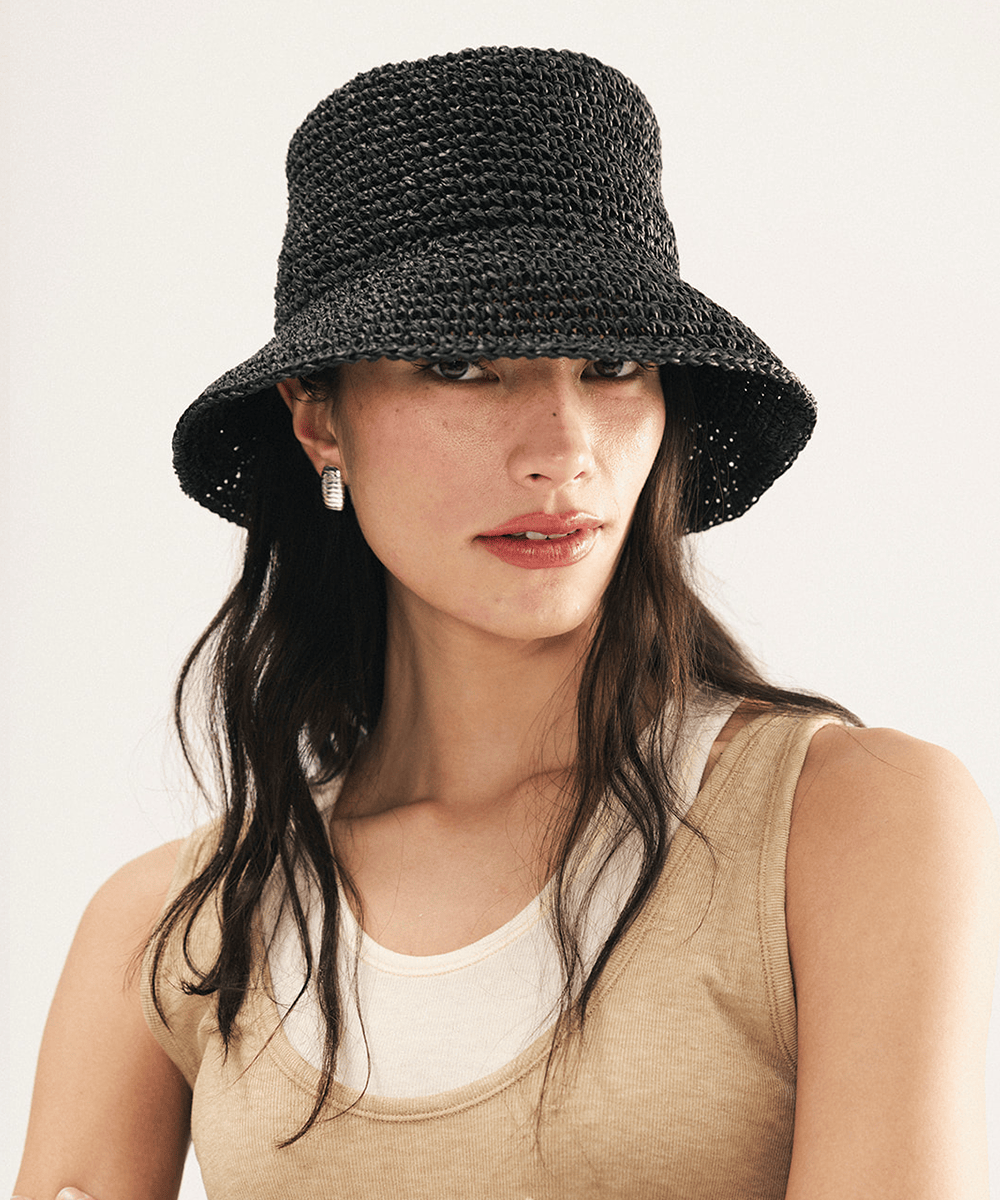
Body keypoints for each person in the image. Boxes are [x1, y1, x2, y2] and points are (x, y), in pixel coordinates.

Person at [14, 46, 1000, 1200]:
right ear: (317, 416)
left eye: (614, 363)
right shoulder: (174, 926)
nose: (561, 448)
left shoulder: (845, 827)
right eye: (463, 363)